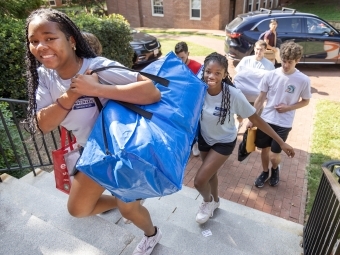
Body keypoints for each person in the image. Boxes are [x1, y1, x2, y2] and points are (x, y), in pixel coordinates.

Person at [25, 8, 162, 255]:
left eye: (49, 37)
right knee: (77, 209)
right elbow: (43, 124)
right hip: (92, 152)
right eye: (34, 41)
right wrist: (74, 92)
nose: (41, 46)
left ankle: (152, 234)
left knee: (131, 210)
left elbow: (151, 92)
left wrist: (97, 89)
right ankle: (123, 202)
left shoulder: (98, 68)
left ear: (71, 40)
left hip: (122, 152)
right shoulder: (45, 77)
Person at [194, 52, 295, 224]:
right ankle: (216, 201)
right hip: (205, 138)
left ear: (225, 74)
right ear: (203, 71)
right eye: (208, 71)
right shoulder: (198, 89)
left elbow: (256, 119)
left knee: (199, 180)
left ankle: (207, 202)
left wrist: (281, 142)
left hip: (224, 141)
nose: (212, 76)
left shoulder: (233, 95)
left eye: (218, 73)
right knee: (210, 174)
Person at [248, 41, 311, 188]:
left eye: (290, 62)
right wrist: (252, 118)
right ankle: (264, 172)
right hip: (266, 119)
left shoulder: (303, 80)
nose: (286, 65)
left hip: (284, 122)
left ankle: (275, 169)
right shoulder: (271, 75)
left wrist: (289, 107)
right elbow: (261, 98)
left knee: (274, 155)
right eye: (283, 61)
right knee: (264, 150)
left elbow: (306, 101)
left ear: (297, 60)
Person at [234, 40, 275, 130]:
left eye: (261, 50)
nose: (258, 52)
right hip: (243, 97)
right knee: (239, 116)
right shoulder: (245, 60)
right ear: (254, 48)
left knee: (256, 119)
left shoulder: (269, 65)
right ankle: (240, 123)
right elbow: (238, 76)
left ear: (265, 50)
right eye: (257, 49)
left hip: (258, 98)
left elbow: (271, 82)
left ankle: (250, 136)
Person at [175, 41, 202, 156]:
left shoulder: (197, 67)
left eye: (182, 57)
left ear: (188, 54)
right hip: (181, 101)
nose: (180, 61)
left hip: (194, 101)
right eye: (178, 58)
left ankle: (196, 143)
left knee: (195, 123)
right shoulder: (175, 65)